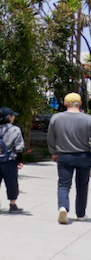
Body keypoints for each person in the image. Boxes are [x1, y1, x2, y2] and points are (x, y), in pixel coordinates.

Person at [48, 92, 91, 224]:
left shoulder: (56, 118)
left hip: (64, 155)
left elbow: (51, 137)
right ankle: (80, 214)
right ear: (80, 103)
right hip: (84, 155)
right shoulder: (88, 119)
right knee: (82, 186)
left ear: (65, 103)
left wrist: (54, 152)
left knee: (63, 184)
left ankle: (63, 207)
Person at [0, 106, 25, 214]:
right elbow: (19, 147)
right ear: (9, 117)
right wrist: (19, 161)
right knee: (11, 182)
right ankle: (12, 204)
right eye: (13, 116)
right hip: (9, 160)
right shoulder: (14, 129)